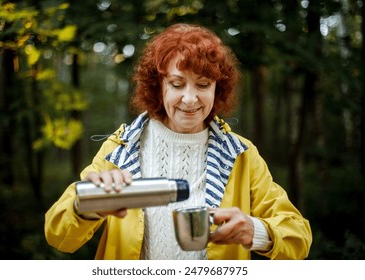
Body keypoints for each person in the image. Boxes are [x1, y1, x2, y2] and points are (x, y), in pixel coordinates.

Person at [44, 23, 312, 260]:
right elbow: (58, 236)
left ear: (219, 88)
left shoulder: (241, 154)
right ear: (158, 86)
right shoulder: (120, 149)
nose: (190, 99)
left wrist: (255, 230)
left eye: (203, 84)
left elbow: (298, 238)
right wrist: (90, 203)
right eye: (177, 83)